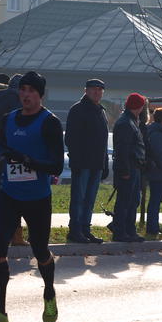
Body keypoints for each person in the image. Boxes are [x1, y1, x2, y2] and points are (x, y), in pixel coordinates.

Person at [0, 71, 64, 322]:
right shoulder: (9, 119)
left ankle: (49, 292)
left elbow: (57, 166)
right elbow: (1, 147)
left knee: (40, 250)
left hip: (37, 198)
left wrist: (28, 161)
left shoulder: (50, 122)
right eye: (23, 90)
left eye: (31, 91)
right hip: (10, 194)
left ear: (40, 95)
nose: (26, 95)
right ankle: (0, 312)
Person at [64, 78, 108, 243]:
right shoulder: (78, 109)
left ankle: (85, 229)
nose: (97, 92)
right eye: (93, 89)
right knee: (79, 198)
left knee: (90, 199)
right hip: (82, 164)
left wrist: (104, 163)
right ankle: (75, 230)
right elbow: (70, 139)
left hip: (96, 163)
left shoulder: (101, 111)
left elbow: (103, 141)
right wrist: (77, 159)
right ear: (86, 91)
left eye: (100, 90)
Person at [0, 73, 28, 246]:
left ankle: (1, 233)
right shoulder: (17, 102)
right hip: (14, 154)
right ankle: (16, 235)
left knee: (2, 196)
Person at [112, 93, 147, 242]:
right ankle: (120, 231)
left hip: (133, 166)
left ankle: (129, 231)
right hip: (129, 168)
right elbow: (123, 149)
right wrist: (125, 170)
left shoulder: (129, 121)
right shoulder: (126, 123)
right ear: (139, 106)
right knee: (125, 201)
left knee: (132, 201)